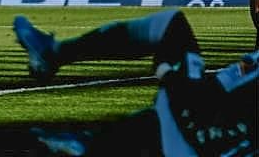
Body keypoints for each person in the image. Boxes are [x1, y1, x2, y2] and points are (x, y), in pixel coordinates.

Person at [13, 10, 258, 156]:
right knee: (173, 107)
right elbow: (223, 89)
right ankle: (91, 144)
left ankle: (54, 55)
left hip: (203, 140)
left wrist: (169, 76)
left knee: (172, 27)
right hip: (204, 131)